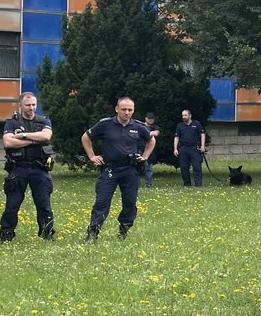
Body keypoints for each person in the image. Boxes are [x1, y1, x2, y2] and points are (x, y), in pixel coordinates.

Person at [81, 96, 155, 242]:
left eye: (130, 110)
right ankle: (92, 233)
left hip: (130, 170)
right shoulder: (105, 124)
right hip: (110, 169)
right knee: (101, 202)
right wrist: (92, 156)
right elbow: (86, 137)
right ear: (116, 109)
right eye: (124, 109)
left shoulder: (138, 126)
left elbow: (151, 140)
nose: (127, 113)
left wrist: (145, 156)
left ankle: (124, 230)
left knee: (130, 203)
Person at [0, 92, 56, 242]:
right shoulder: (12, 123)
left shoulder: (44, 120)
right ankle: (6, 235)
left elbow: (46, 136)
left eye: (34, 104)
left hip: (39, 168)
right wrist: (34, 140)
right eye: (28, 105)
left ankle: (47, 233)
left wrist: (23, 136)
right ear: (20, 105)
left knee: (44, 204)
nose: (31, 108)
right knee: (12, 205)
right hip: (19, 168)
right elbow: (8, 142)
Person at [173, 109, 206, 188]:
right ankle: (187, 184)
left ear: (190, 116)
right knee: (184, 167)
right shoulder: (180, 125)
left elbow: (202, 134)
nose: (183, 117)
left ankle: (198, 184)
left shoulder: (196, 124)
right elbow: (176, 137)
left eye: (185, 115)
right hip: (183, 148)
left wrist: (202, 145)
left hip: (194, 148)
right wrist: (175, 149)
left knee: (197, 166)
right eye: (182, 115)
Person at [142, 112, 160, 187]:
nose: (150, 120)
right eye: (149, 118)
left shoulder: (155, 127)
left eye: (152, 118)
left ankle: (148, 184)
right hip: (140, 149)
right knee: (137, 168)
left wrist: (146, 133)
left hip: (150, 150)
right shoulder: (141, 126)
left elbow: (156, 133)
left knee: (149, 168)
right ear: (145, 118)